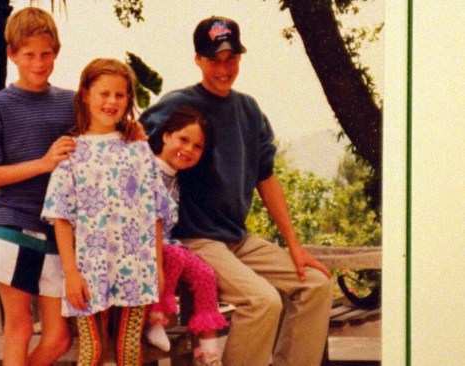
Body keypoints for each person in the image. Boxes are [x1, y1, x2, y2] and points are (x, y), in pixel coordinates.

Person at [140, 16, 334, 366]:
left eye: (231, 58)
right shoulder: (177, 104)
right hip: (195, 238)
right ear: (198, 59)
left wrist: (294, 246)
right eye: (214, 59)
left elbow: (267, 177)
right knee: (262, 301)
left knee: (317, 284)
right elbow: (134, 145)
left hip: (238, 238)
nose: (223, 68)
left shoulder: (249, 109)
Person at [41, 58, 175, 365]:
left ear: (128, 99)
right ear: (86, 94)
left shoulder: (139, 151)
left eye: (120, 94)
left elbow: (155, 212)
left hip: (137, 265)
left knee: (129, 350)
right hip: (90, 268)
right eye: (104, 93)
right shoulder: (70, 153)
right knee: (94, 351)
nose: (112, 101)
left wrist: (157, 266)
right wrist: (71, 274)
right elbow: (61, 219)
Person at [0, 7, 76, 366]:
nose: (39, 62)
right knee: (19, 329)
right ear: (12, 54)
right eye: (29, 54)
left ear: (56, 53)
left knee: (59, 338)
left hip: (58, 233)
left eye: (46, 54)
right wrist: (44, 164)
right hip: (12, 226)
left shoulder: (71, 102)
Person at [143, 105, 228, 365]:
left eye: (197, 146)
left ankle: (208, 350)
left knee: (205, 274)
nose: (188, 149)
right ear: (166, 135)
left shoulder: (177, 178)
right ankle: (156, 321)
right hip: (145, 246)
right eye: (183, 139)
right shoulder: (144, 168)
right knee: (176, 255)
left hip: (169, 244)